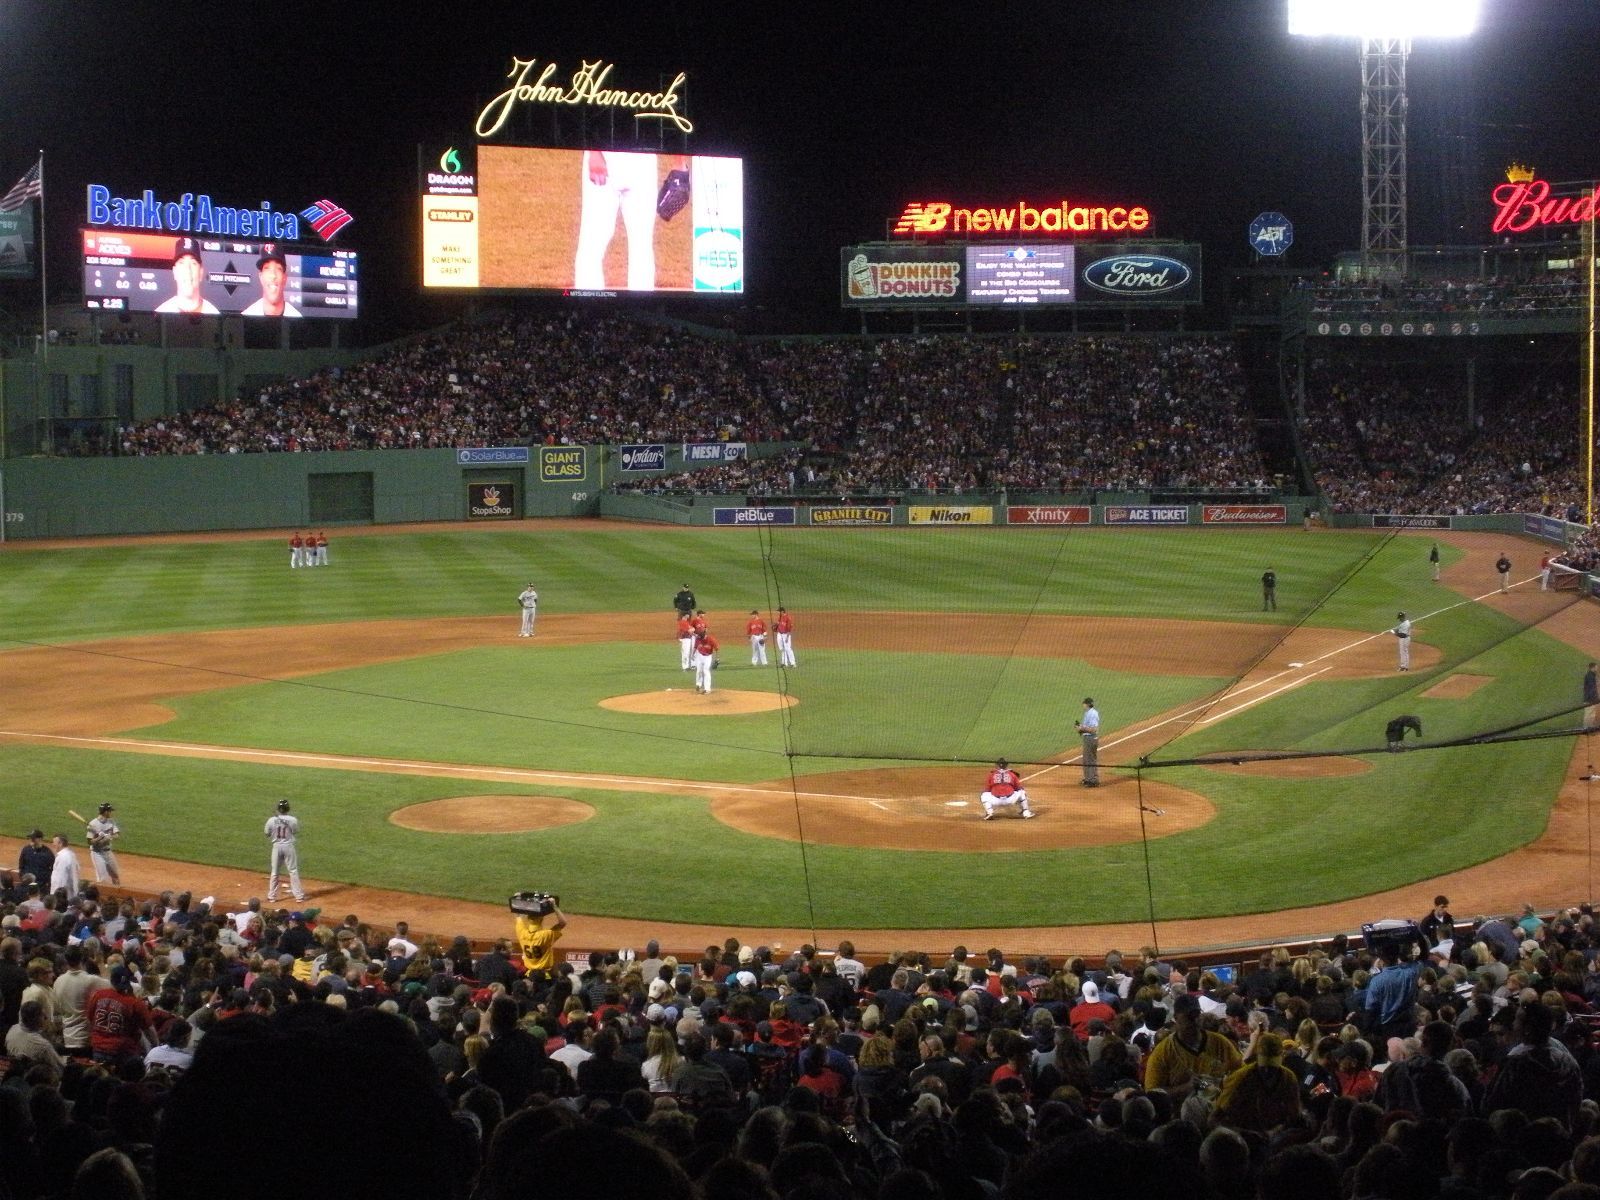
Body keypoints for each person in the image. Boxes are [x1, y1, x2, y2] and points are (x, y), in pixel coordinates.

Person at [574, 150, 660, 292]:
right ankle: (588, 304)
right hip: (606, 158)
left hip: (644, 160)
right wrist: (594, 152)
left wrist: (680, 165)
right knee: (592, 243)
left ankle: (642, 304)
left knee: (642, 243)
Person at [154, 237, 221, 314]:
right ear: (175, 272)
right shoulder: (160, 314)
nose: (188, 270)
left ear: (201, 272)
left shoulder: (214, 314)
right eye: (182, 263)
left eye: (193, 263)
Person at [240, 244, 302, 317]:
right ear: (261, 277)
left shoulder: (298, 320)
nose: (273, 275)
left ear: (284, 278)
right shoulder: (246, 318)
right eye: (267, 268)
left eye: (278, 269)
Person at [513, 896, 567, 978]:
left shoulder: (522, 932)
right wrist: (554, 905)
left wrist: (517, 900)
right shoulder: (546, 935)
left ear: (528, 919)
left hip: (529, 975)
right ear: (541, 920)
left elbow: (518, 917)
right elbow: (563, 923)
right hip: (545, 976)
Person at [265, 798, 305, 903]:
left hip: (276, 847)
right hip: (288, 846)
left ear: (278, 809)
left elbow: (267, 833)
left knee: (275, 872)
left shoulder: (271, 820)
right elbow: (295, 831)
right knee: (293, 871)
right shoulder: (293, 820)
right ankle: (299, 896)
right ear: (288, 808)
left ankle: (272, 896)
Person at [85, 801, 121, 885]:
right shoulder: (93, 824)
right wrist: (99, 838)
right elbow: (89, 842)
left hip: (108, 852)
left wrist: (109, 836)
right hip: (97, 853)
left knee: (115, 876)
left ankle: (116, 892)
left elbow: (117, 834)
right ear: (105, 812)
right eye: (110, 811)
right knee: (102, 880)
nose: (111, 813)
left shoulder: (111, 821)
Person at [1075, 698, 1100, 786]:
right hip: (1087, 738)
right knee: (1086, 759)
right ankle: (1088, 778)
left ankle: (1093, 780)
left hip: (1091, 739)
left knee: (1090, 759)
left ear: (1087, 704)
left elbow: (1094, 729)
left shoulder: (1092, 714)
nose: (1083, 705)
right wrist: (1080, 728)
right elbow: (1087, 727)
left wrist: (1082, 728)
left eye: (1084, 704)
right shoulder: (1088, 713)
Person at [693, 627, 720, 695]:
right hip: (699, 655)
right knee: (699, 670)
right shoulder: (698, 638)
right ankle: (698, 684)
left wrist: (717, 659)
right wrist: (693, 654)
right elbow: (695, 647)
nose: (699, 636)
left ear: (703, 634)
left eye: (700, 635)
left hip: (707, 657)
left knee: (706, 671)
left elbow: (717, 649)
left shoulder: (711, 639)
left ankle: (707, 689)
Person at [1585, 661, 1598, 725]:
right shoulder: (1590, 676)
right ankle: (1587, 728)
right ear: (1593, 667)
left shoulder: (1591, 675)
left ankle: (1590, 727)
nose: (1597, 668)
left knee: (1591, 714)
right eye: (1596, 667)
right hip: (1590, 699)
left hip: (1591, 698)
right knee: (1589, 714)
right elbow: (1591, 688)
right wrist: (1593, 698)